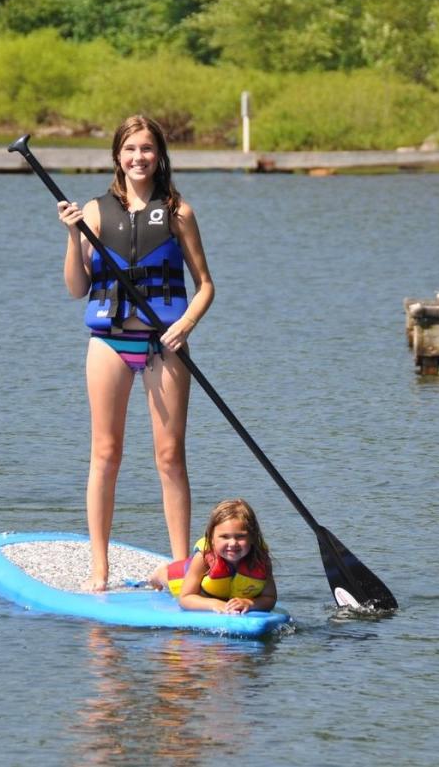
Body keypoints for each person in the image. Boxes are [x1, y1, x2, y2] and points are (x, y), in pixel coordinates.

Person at [58, 114, 215, 592]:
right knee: (105, 453)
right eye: (130, 150)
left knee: (170, 457)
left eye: (147, 149)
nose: (138, 158)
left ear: (159, 155)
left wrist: (185, 325)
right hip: (109, 343)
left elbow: (205, 286)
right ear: (117, 157)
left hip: (164, 345)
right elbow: (76, 288)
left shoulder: (178, 212)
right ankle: (99, 570)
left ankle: (180, 570)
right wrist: (71, 235)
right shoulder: (93, 212)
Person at [149, 498, 277, 614]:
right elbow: (185, 598)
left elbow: (270, 598)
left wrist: (250, 603)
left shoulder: (260, 560)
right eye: (224, 537)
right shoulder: (203, 558)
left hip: (222, 591)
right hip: (188, 577)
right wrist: (215, 604)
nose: (232, 543)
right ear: (211, 539)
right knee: (173, 578)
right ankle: (159, 574)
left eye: (240, 536)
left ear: (253, 537)